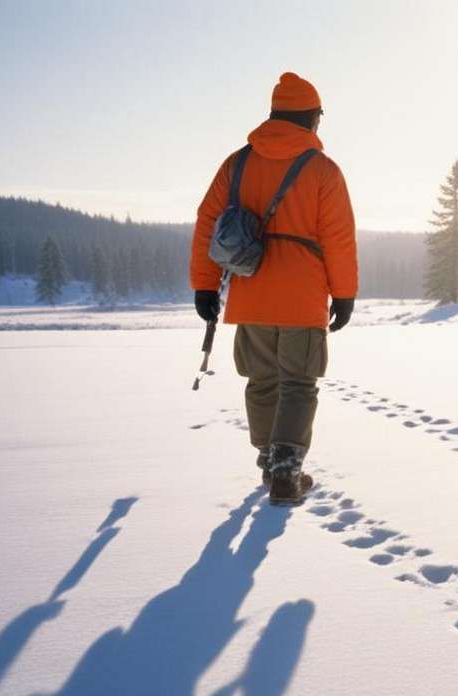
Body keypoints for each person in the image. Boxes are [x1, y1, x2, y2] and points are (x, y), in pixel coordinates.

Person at [190, 71, 357, 504]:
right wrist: (344, 294)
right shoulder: (323, 170)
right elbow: (338, 238)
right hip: (302, 298)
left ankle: (269, 461)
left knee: (261, 381)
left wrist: (204, 285)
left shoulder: (237, 163)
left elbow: (208, 222)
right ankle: (286, 472)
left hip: (251, 293)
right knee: (299, 383)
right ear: (310, 117)